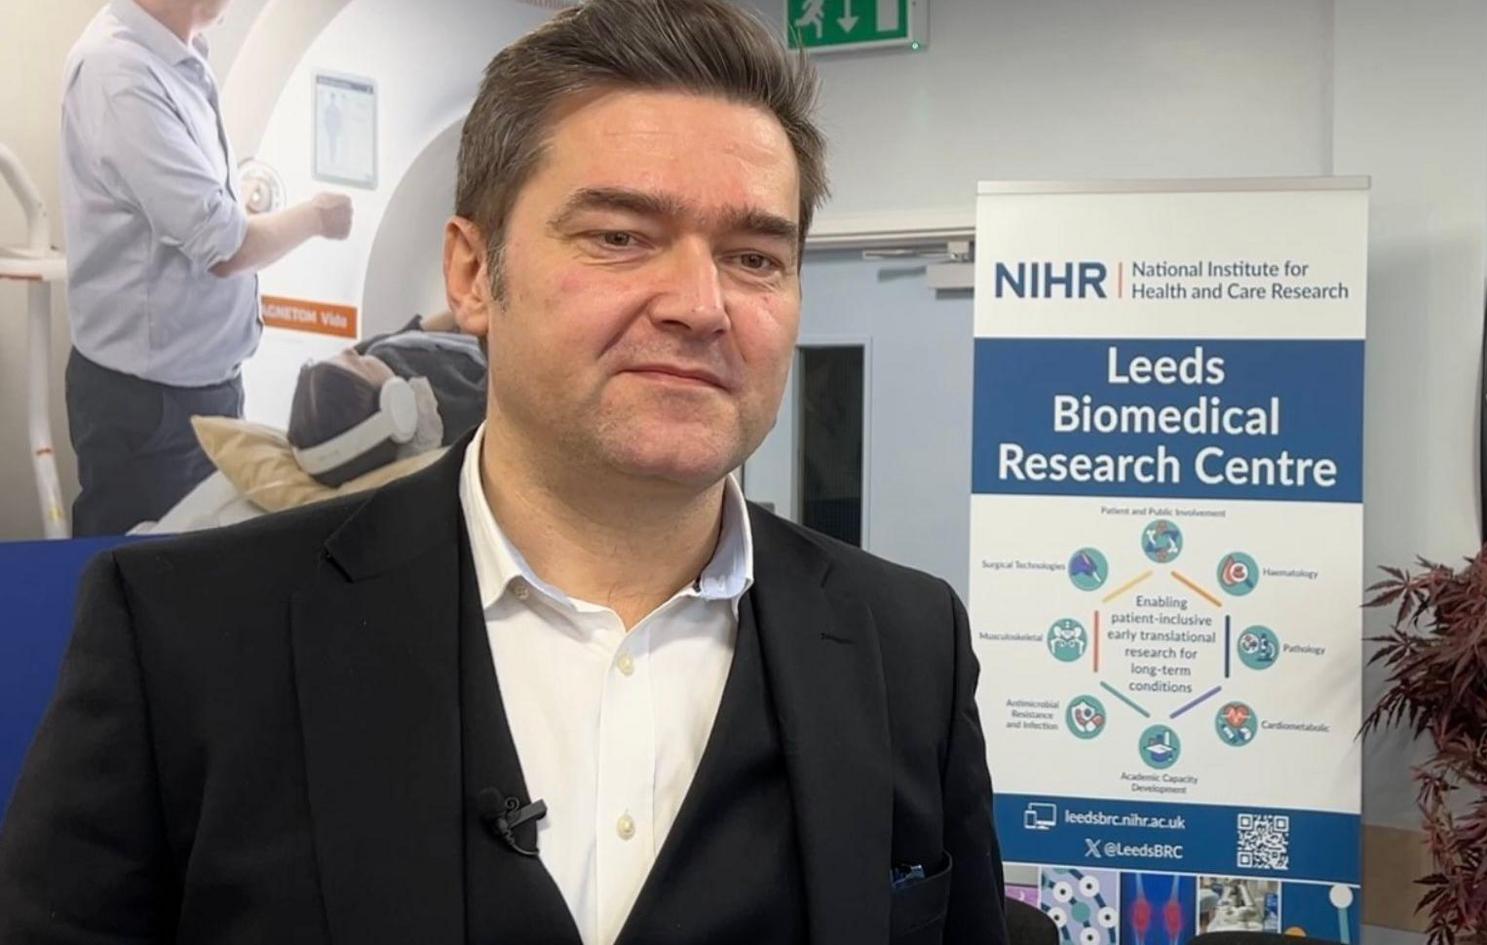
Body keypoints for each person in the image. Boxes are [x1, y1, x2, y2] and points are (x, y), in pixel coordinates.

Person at [0, 2, 1006, 944]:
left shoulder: (907, 648)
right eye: (621, 237)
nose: (702, 305)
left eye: (754, 258)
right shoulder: (188, 638)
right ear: (473, 275)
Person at [59, 0, 354, 536]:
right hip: (152, 408)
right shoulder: (120, 71)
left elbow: (202, 215)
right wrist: (317, 217)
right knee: (134, 585)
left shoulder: (180, 58)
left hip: (206, 386)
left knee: (195, 577)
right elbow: (225, 249)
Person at [287, 313, 487, 486]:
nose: (350, 352)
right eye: (358, 363)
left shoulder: (372, 357)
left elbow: (417, 331)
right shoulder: (448, 411)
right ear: (394, 407)